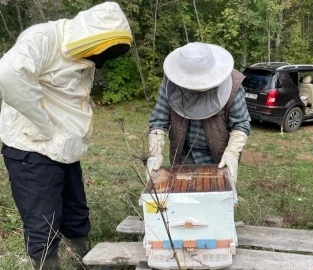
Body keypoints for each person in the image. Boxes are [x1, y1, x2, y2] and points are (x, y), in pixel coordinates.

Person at [0, 2, 132, 269]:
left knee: (76, 216)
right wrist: (44, 124)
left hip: (66, 150)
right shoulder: (42, 38)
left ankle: (83, 263)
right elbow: (9, 75)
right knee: (43, 225)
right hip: (32, 150)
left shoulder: (85, 52)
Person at [147, 42, 251, 190]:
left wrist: (232, 153)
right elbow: (159, 121)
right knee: (185, 200)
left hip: (218, 157)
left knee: (217, 201)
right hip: (184, 154)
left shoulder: (233, 84)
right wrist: (154, 153)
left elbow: (241, 124)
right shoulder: (169, 82)